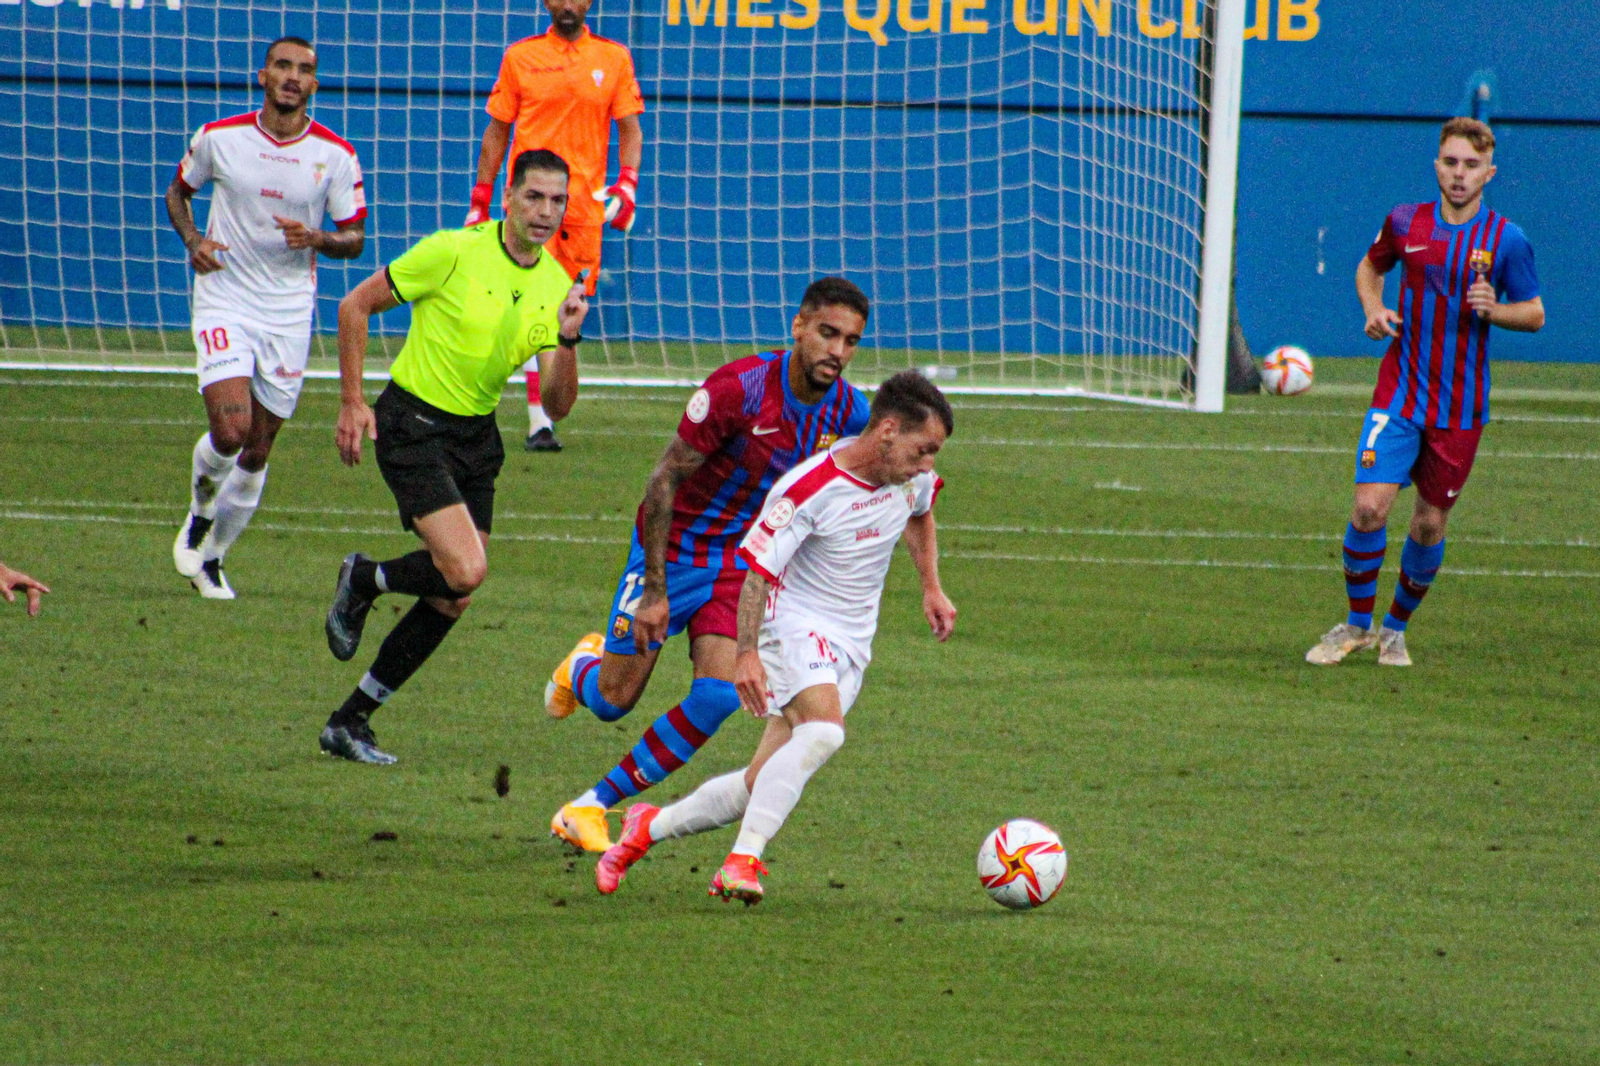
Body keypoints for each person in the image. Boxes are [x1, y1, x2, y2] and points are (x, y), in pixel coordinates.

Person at [592, 371, 956, 903]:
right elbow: (758, 570)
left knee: (757, 784)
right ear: (888, 431)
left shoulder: (912, 480)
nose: (928, 465)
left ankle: (645, 829)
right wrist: (746, 654)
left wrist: (932, 588)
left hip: (853, 641)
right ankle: (742, 862)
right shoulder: (809, 488)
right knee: (826, 733)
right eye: (923, 449)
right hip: (792, 624)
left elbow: (921, 515)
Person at [542, 277, 873, 853]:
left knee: (720, 695)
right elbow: (663, 479)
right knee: (612, 701)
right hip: (672, 548)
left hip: (738, 566)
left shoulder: (850, 411)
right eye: (827, 333)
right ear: (798, 327)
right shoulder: (738, 390)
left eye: (850, 341)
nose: (837, 352)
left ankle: (590, 805)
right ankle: (582, 670)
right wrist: (654, 590)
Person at [317, 149, 588, 765]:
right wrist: (352, 402)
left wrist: (568, 336)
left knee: (454, 592)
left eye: (557, 201)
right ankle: (362, 579)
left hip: (476, 438)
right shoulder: (452, 250)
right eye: (534, 197)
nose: (545, 212)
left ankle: (350, 718)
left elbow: (557, 402)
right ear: (508, 198)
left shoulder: (553, 283)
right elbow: (353, 305)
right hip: (411, 421)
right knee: (466, 569)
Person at [1306, 117, 1543, 668]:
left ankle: (1394, 630)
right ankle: (1356, 625)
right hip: (1401, 392)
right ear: (1437, 165)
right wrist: (1373, 309)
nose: (1460, 175)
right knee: (1369, 508)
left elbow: (1533, 314)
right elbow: (1370, 267)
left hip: (1459, 407)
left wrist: (1494, 310)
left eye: (1471, 166)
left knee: (1429, 523)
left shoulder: (1506, 240)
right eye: (1451, 163)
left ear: (1489, 173)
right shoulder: (1405, 222)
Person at [165, 36, 366, 599]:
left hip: (288, 311)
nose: (293, 77)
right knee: (230, 431)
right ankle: (200, 513)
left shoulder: (336, 156)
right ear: (263, 75)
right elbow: (178, 194)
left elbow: (355, 238)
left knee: (258, 447)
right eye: (283, 65)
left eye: (304, 70)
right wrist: (193, 240)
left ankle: (214, 558)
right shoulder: (220, 139)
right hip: (224, 294)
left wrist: (320, 237)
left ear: (314, 84)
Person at [466, 0, 645, 452]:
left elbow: (629, 129)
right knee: (518, 305)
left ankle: (541, 420)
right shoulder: (521, 56)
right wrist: (479, 200)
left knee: (563, 310)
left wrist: (627, 185)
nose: (569, 4)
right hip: (528, 206)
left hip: (583, 212)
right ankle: (531, 419)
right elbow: (497, 131)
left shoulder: (613, 57)